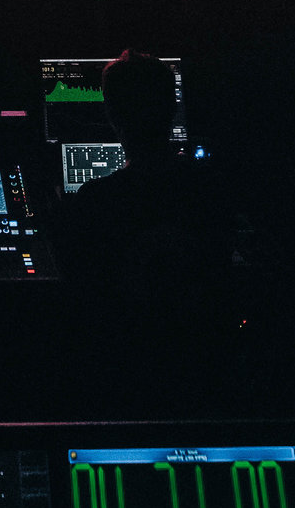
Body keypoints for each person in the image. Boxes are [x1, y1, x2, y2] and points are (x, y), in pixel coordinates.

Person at [50, 53, 236, 408]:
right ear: (172, 108)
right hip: (204, 375)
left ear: (113, 116)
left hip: (120, 379)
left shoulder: (93, 202)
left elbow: (78, 297)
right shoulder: (211, 192)